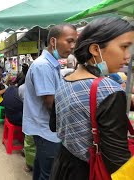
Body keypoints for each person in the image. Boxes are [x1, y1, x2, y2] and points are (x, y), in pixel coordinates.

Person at [50, 17, 134, 180]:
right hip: (89, 171)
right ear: (95, 49)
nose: (127, 57)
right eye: (124, 47)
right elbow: (117, 160)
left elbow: (53, 125)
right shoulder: (109, 90)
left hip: (63, 164)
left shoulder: (65, 80)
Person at [23, 24, 77, 180]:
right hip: (46, 131)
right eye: (69, 41)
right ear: (53, 41)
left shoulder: (51, 64)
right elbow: (51, 104)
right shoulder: (43, 66)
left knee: (41, 169)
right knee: (49, 174)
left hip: (44, 129)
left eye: (75, 42)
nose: (72, 46)